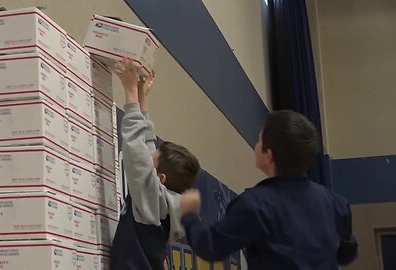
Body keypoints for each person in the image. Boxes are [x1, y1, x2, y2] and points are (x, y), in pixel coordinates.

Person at [180, 110, 358, 269]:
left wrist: (190, 215)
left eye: (259, 140)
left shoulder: (254, 205)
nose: (256, 145)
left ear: (268, 155)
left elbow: (210, 247)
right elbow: (347, 254)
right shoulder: (336, 204)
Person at [110, 58, 201, 270]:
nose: (149, 156)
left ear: (160, 179)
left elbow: (137, 154)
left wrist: (130, 92)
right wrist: (142, 97)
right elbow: (148, 148)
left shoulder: (152, 202)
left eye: (153, 162)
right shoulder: (161, 206)